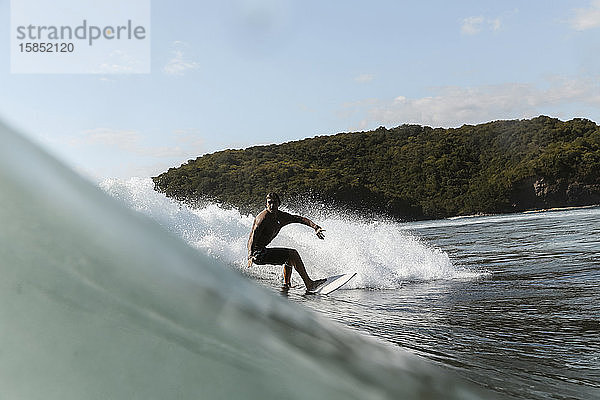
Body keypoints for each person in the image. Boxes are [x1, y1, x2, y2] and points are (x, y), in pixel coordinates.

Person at [247, 192, 327, 292]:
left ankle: (286, 284)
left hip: (262, 250)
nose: (271, 205)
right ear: (266, 204)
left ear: (278, 204)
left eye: (274, 203)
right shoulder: (262, 218)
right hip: (257, 254)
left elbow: (298, 219)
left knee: (288, 257)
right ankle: (309, 284)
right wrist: (250, 255)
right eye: (269, 203)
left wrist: (315, 227)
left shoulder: (282, 217)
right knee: (293, 254)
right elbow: (252, 238)